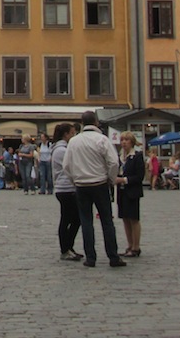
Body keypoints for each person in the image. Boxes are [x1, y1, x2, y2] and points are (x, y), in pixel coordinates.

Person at [63, 110, 125, 268]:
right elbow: (113, 163)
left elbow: (66, 166)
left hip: (82, 185)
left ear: (82, 123)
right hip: (99, 183)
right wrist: (110, 179)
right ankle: (113, 256)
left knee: (86, 222)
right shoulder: (102, 140)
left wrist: (75, 179)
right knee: (106, 221)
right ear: (96, 122)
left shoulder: (74, 142)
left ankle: (90, 258)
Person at [51, 122, 82, 261]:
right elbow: (72, 166)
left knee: (74, 219)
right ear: (65, 135)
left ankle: (69, 246)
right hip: (65, 188)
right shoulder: (61, 150)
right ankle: (65, 249)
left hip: (67, 187)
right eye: (72, 133)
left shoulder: (63, 148)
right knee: (68, 219)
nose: (73, 136)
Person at [115, 132, 144, 258]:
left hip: (132, 191)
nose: (124, 142)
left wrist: (124, 180)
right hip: (121, 192)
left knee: (133, 219)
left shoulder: (137, 156)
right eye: (122, 140)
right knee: (125, 219)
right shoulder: (120, 157)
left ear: (131, 141)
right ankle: (129, 244)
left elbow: (139, 176)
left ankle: (136, 247)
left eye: (126, 140)